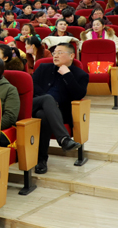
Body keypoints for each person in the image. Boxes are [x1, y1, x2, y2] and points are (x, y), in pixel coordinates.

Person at [31, 43, 87, 174]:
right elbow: (31, 85)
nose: (55, 55)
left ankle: (41, 160)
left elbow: (78, 95)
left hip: (58, 112)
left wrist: (67, 75)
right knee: (48, 99)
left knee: (44, 116)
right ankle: (64, 139)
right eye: (54, 52)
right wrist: (47, 100)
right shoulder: (43, 67)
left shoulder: (80, 75)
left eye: (60, 53)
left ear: (72, 56)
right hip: (35, 104)